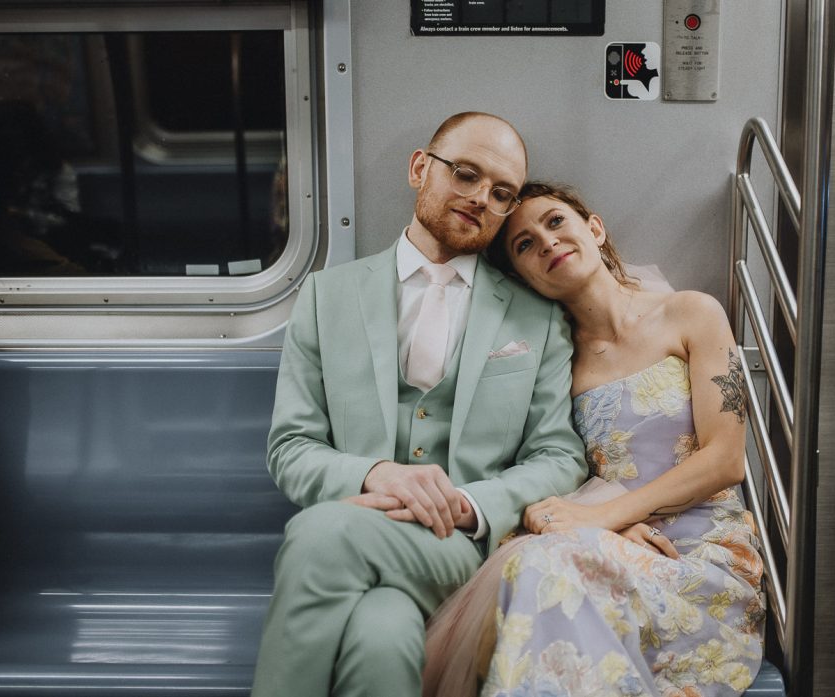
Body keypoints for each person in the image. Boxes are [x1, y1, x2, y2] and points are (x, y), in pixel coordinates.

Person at [250, 116, 588, 697]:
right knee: (379, 640)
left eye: (501, 193)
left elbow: (558, 454)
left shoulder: (537, 316)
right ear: (419, 169)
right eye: (466, 174)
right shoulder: (324, 296)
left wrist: (468, 504)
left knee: (318, 536)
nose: (481, 197)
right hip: (369, 536)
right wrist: (376, 473)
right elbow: (290, 448)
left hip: (466, 551)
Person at [423, 183, 765, 697]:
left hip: (702, 556)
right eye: (524, 244)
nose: (545, 241)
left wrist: (605, 518)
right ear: (524, 276)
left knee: (544, 564)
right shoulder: (550, 361)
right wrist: (606, 527)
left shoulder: (691, 313)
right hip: (610, 541)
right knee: (536, 563)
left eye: (556, 221)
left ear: (595, 229)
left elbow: (726, 460)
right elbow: (548, 462)